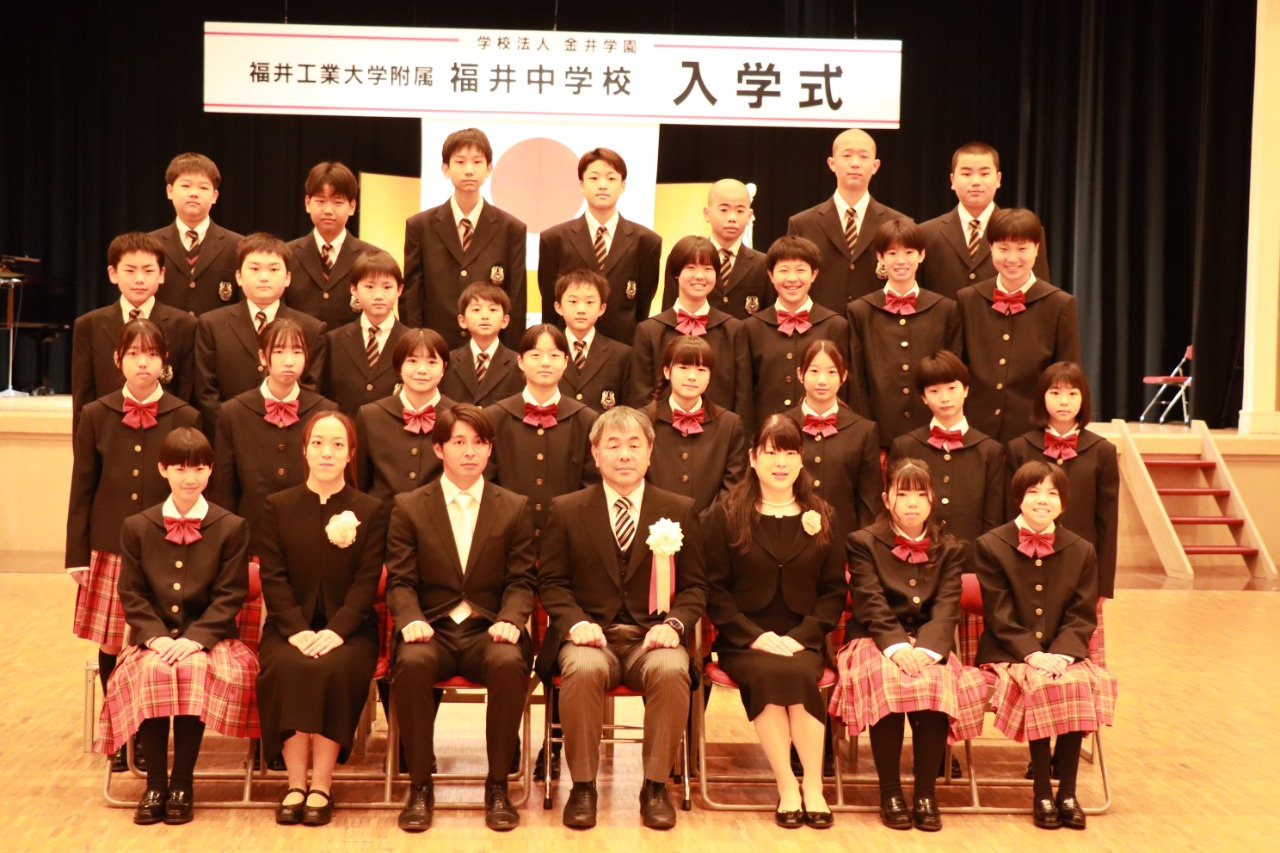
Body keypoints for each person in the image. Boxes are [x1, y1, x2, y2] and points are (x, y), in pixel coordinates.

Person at [538, 406, 707, 830]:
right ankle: (582, 787)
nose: (624, 454)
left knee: (672, 669)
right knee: (581, 668)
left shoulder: (679, 509)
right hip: (590, 637)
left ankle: (655, 786)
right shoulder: (567, 509)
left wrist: (674, 626)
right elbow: (552, 583)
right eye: (612, 445)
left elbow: (695, 588)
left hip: (651, 638)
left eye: (634, 445)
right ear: (595, 454)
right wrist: (577, 624)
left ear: (650, 452)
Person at [385, 404, 537, 832]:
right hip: (430, 628)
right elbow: (399, 580)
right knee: (412, 663)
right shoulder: (410, 506)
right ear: (439, 449)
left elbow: (522, 580)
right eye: (459, 442)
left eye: (479, 442)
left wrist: (512, 619)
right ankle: (420, 786)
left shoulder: (514, 506)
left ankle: (498, 786)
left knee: (508, 663)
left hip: (488, 628)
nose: (470, 451)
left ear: (490, 450)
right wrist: (410, 619)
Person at [94, 427, 255, 826]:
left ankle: (182, 783)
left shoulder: (231, 526)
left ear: (210, 470)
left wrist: (196, 639)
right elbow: (132, 593)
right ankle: (154, 785)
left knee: (191, 670)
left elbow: (230, 595)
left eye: (199, 469)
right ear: (163, 469)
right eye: (180, 469)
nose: (190, 478)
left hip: (210, 639)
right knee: (154, 670)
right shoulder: (137, 525)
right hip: (153, 639)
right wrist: (156, 637)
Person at [67, 318, 201, 772]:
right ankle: (121, 733)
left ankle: (150, 734)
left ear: (165, 362)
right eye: (133, 354)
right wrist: (76, 554)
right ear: (117, 360)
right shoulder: (95, 413)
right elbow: (82, 486)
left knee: (155, 641)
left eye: (152, 355)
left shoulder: (185, 415)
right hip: (109, 547)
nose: (143, 363)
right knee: (111, 644)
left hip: (168, 546)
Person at [703, 415, 845, 829]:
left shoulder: (822, 514)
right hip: (744, 640)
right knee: (768, 674)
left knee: (799, 672)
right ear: (753, 458)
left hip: (802, 639)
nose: (780, 462)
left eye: (789, 452)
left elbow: (833, 590)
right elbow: (715, 589)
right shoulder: (726, 514)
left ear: (801, 459)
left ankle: (813, 785)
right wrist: (754, 637)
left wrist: (803, 637)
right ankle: (787, 786)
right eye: (770, 452)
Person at [831, 457, 988, 832]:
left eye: (920, 493)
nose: (912, 502)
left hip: (930, 644)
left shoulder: (950, 548)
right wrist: (899, 648)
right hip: (875, 639)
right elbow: (870, 602)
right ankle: (889, 793)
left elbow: (947, 606)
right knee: (888, 679)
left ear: (932, 498)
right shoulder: (863, 542)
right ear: (887, 499)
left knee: (935, 681)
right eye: (903, 494)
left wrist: (925, 650)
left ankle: (925, 794)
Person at [255, 412, 390, 826]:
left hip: (351, 631)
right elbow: (273, 578)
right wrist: (296, 631)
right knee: (289, 666)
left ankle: (322, 784)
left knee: (330, 668)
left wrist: (336, 631)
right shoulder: (277, 506)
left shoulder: (370, 510)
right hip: (288, 628)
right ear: (305, 450)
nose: (326, 452)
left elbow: (366, 582)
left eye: (337, 444)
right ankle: (295, 784)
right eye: (317, 443)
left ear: (351, 454)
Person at [974, 461, 1117, 830]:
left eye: (1052, 493)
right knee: (1039, 682)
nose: (1043, 500)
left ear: (1063, 502)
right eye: (1034, 491)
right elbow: (999, 613)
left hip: (1064, 652)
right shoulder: (991, 545)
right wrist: (1034, 654)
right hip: (1009, 650)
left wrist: (1062, 655)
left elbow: (1082, 615)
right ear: (1018, 498)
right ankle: (1041, 792)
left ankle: (1067, 793)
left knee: (1076, 682)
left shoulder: (1082, 549)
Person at [889, 351, 1006, 665]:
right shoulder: (905, 445)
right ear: (923, 397)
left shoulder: (990, 450)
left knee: (974, 665)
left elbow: (994, 521)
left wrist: (982, 573)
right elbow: (894, 513)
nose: (945, 398)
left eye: (952, 388)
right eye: (934, 390)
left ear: (966, 389)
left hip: (971, 571)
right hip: (915, 570)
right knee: (921, 662)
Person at [1007, 362, 1118, 658]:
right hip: (1027, 560)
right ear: (1042, 397)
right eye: (1055, 393)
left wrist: (1103, 583)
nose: (1064, 401)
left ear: (1084, 399)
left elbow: (1108, 521)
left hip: (1079, 567)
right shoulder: (1019, 448)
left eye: (1072, 393)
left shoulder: (1102, 451)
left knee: (1073, 647)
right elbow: (1009, 513)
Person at [210, 318, 339, 555]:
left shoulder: (325, 411)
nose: (289, 361)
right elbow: (224, 489)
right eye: (279, 352)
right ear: (263, 356)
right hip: (252, 536)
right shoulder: (234, 412)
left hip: (312, 534)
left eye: (297, 351)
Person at [957, 208, 1081, 443]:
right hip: (975, 431)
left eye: (1022, 249)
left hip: (1034, 432)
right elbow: (957, 369)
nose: (1012, 259)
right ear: (990, 247)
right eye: (1003, 249)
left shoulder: (1059, 303)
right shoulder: (968, 299)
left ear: (1036, 249)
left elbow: (1068, 375)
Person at [194, 233, 327, 438]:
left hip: (291, 434)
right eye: (254, 269)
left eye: (274, 269)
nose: (264, 277)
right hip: (230, 433)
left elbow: (311, 389)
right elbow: (206, 392)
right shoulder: (212, 324)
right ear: (238, 276)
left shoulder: (311, 328)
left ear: (288, 278)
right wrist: (231, 429)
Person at [403, 128, 527, 346]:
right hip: (435, 348)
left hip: (491, 348)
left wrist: (509, 354)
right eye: (460, 162)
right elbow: (412, 296)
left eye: (477, 162)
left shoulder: (511, 229)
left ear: (489, 169)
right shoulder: (420, 226)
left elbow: (515, 300)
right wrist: (416, 345)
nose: (469, 170)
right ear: (445, 169)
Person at [847, 218, 963, 447]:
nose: (901, 261)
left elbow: (953, 376)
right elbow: (857, 381)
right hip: (881, 434)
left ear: (921, 255)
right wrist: (867, 435)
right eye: (892, 253)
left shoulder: (945, 309)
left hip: (934, 432)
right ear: (880, 257)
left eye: (909, 252)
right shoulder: (860, 311)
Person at [72, 231, 197, 433]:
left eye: (148, 271)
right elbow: (82, 398)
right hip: (108, 434)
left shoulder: (184, 325)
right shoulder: (89, 325)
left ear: (161, 274)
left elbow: (186, 392)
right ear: (113, 273)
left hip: (165, 434)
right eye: (130, 270)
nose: (139, 279)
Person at [485, 324, 599, 539]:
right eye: (535, 355)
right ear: (521, 361)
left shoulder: (586, 420)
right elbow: (487, 483)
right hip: (505, 535)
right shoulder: (494, 417)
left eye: (554, 355)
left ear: (566, 361)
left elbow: (591, 486)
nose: (545, 362)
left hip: (568, 536)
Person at [539, 147, 662, 344]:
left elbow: (642, 307)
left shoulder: (647, 242)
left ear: (623, 186)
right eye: (594, 178)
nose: (602, 185)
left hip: (623, 347)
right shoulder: (554, 239)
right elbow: (549, 305)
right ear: (581, 185)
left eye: (611, 178)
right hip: (568, 348)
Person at [631, 235, 753, 431]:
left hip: (719, 436)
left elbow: (742, 398)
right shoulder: (649, 331)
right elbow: (640, 398)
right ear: (676, 273)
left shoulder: (733, 329)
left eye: (708, 269)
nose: (699, 276)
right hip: (661, 436)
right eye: (691, 267)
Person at [787, 129, 910, 311]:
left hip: (877, 322)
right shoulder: (802, 224)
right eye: (847, 155)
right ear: (832, 163)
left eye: (863, 156)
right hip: (821, 323)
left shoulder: (898, 223)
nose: (855, 163)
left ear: (875, 166)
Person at [917, 142, 1051, 300]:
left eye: (984, 174)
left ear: (998, 179)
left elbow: (1040, 292)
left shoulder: (1027, 231)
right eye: (966, 174)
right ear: (952, 180)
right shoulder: (925, 233)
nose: (975, 181)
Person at [784, 340, 881, 542]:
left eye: (831, 372)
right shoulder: (781, 426)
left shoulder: (863, 431)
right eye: (814, 371)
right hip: (788, 538)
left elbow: (868, 504)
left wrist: (862, 547)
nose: (822, 380)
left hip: (843, 541)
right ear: (800, 374)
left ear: (843, 376)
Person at [745, 235, 849, 418]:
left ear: (814, 274)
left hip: (821, 428)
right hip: (767, 431)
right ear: (770, 275)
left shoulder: (835, 325)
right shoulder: (751, 328)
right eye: (783, 270)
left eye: (801, 270)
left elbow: (845, 389)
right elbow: (744, 391)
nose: (792, 278)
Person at [643, 335, 748, 513]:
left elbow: (733, 486)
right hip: (654, 523)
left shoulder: (729, 424)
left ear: (710, 376)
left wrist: (704, 523)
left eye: (701, 369)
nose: (692, 377)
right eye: (683, 368)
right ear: (667, 371)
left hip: (712, 526)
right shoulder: (643, 420)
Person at [355, 328, 457, 503]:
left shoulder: (458, 417)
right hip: (384, 517)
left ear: (444, 368)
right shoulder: (370, 415)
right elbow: (359, 482)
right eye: (412, 361)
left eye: (432, 362)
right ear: (399, 366)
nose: (422, 370)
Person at [284, 161, 382, 329]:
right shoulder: (286, 255)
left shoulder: (372, 257)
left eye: (338, 202)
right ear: (307, 203)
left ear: (352, 207)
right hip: (299, 344)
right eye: (320, 201)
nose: (328, 210)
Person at [662, 179, 772, 319]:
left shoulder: (763, 263)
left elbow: (769, 319)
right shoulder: (682, 259)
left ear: (749, 216)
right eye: (724, 210)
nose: (732, 218)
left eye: (740, 211)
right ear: (707, 213)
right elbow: (668, 313)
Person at [150, 152, 243, 316]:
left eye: (203, 187)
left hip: (217, 332)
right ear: (169, 191)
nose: (194, 193)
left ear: (214, 196)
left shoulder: (237, 245)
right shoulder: (149, 244)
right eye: (186, 186)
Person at [320, 250, 409, 416]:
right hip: (344, 427)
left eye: (387, 287)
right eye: (369, 286)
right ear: (354, 289)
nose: (379, 295)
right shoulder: (333, 340)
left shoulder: (411, 342)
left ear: (399, 289)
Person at [554, 268, 632, 413]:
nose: (581, 309)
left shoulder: (621, 355)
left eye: (589, 302)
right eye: (573, 301)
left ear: (602, 308)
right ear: (558, 307)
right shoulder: (546, 351)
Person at [438, 283, 524, 408]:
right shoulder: (447, 363)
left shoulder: (519, 365)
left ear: (505, 321)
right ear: (462, 321)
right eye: (476, 310)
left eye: (492, 310)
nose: (485, 316)